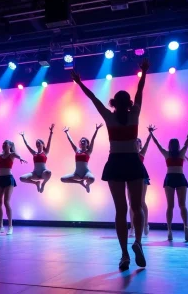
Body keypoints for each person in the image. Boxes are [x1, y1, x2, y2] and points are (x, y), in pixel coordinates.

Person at [71, 58, 149, 271]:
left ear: (114, 103)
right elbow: (140, 92)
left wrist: (79, 82)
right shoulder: (135, 115)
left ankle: (124, 255)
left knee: (120, 210)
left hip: (115, 163)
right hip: (133, 162)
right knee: (137, 206)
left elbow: (94, 98)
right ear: (129, 103)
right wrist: (143, 72)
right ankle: (138, 242)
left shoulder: (108, 116)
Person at [148, 123, 188, 242]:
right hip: (180, 178)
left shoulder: (166, 153)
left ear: (170, 146)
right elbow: (187, 141)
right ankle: (186, 227)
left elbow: (157, 144)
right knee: (182, 205)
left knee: (170, 206)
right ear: (177, 146)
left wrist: (151, 133)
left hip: (170, 178)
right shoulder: (182, 152)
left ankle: (169, 231)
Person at [60, 124, 102, 193]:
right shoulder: (77, 150)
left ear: (87, 144)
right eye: (81, 141)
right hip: (77, 174)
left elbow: (93, 140)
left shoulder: (88, 152)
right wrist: (66, 132)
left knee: (92, 179)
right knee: (63, 179)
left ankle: (87, 185)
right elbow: (71, 141)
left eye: (84, 141)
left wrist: (96, 130)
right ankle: (80, 183)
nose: (82, 142)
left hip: (86, 173)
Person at [19, 124, 54, 193]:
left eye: (39, 143)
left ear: (42, 144)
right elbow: (27, 145)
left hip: (43, 173)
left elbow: (49, 141)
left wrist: (51, 132)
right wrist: (23, 137)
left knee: (49, 172)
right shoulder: (34, 153)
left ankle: (43, 184)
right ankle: (36, 183)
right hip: (35, 173)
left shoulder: (45, 152)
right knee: (22, 178)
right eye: (36, 143)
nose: (37, 144)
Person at [128, 135, 151, 237]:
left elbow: (147, 142)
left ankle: (145, 225)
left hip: (142, 177)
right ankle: (132, 227)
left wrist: (150, 134)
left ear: (140, 145)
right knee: (131, 202)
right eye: (135, 142)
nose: (136, 143)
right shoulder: (129, 154)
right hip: (131, 177)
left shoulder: (141, 153)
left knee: (141, 201)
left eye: (138, 142)